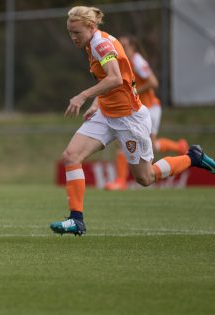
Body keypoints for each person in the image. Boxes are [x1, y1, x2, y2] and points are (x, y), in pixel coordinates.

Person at [50, 6, 215, 236]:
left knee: (145, 178)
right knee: (71, 156)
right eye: (70, 32)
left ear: (91, 27)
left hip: (129, 119)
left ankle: (192, 158)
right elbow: (111, 80)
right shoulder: (92, 44)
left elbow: (116, 78)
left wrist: (83, 95)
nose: (72, 37)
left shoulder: (101, 44)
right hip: (107, 115)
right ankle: (76, 220)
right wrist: (97, 104)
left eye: (76, 32)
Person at [104, 35, 188, 190]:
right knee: (121, 142)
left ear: (133, 47)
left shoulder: (137, 60)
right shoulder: (123, 62)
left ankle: (179, 148)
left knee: (152, 146)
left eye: (124, 45)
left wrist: (132, 91)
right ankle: (121, 181)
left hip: (150, 108)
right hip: (138, 108)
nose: (119, 47)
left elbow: (153, 82)